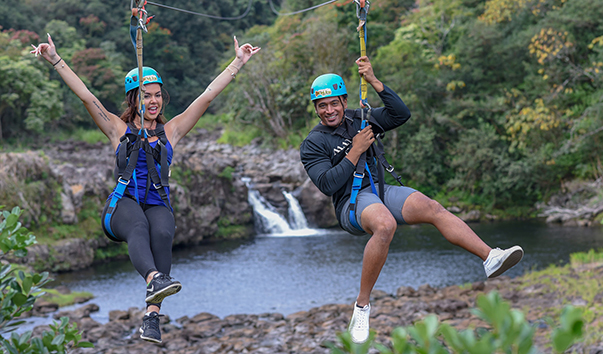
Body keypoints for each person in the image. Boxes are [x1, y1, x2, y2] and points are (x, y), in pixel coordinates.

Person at [31, 33, 260, 344]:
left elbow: (206, 97)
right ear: (132, 100)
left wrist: (237, 63)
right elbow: (86, 96)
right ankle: (154, 279)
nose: (154, 101)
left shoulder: (171, 131)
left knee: (164, 232)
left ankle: (152, 316)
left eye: (157, 95)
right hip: (122, 205)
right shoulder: (117, 129)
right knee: (139, 226)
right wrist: (55, 60)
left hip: (156, 202)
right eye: (146, 96)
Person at [300, 56, 524, 344]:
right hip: (351, 204)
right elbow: (328, 185)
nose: (329, 110)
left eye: (334, 103)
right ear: (316, 108)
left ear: (344, 101)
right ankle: (362, 306)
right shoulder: (313, 143)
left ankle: (490, 257)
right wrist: (354, 151)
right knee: (385, 224)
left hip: (379, 190)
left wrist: (375, 81)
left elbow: (400, 114)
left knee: (432, 207)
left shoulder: (361, 118)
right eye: (322, 105)